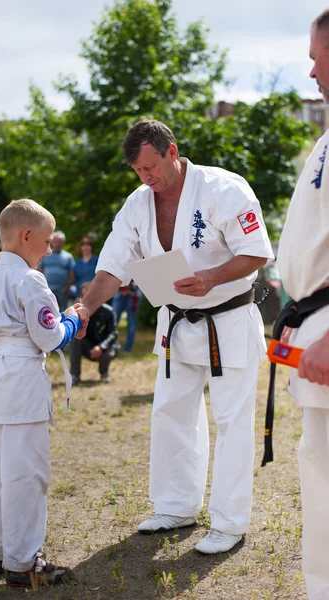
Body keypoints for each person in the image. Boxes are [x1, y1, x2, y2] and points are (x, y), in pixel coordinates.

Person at [80, 118, 274, 554]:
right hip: (176, 320)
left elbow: (257, 251)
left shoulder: (224, 188)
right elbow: (114, 263)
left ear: (172, 152)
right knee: (171, 413)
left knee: (231, 421)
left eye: (150, 167)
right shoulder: (137, 204)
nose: (145, 178)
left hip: (227, 317)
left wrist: (211, 277)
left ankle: (228, 522)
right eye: (137, 171)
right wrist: (87, 306)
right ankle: (176, 505)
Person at [0, 199, 88, 587]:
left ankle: (2, 550)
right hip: (20, 381)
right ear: (26, 236)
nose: (50, 250)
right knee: (26, 474)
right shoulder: (29, 280)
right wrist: (73, 320)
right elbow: (49, 336)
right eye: (46, 242)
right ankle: (23, 563)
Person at [275, 10, 329, 598]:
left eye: (318, 55)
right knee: (320, 474)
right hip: (314, 321)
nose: (311, 69)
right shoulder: (325, 140)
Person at [70, 282, 120, 384]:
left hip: (105, 346)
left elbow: (113, 333)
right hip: (88, 345)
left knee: (109, 353)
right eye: (83, 296)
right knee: (75, 339)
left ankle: (104, 373)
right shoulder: (78, 312)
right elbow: (73, 330)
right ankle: (75, 375)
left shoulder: (108, 311)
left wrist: (101, 347)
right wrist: (76, 315)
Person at [39, 230, 75, 311]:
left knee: (62, 310)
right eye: (55, 241)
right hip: (47, 289)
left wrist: (66, 287)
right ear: (52, 242)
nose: (57, 244)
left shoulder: (68, 257)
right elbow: (39, 271)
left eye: (60, 242)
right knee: (47, 310)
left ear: (63, 243)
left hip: (62, 291)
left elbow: (72, 275)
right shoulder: (45, 254)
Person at [112, 281, 142, 353]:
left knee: (132, 322)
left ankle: (128, 349)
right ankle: (112, 346)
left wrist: (130, 287)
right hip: (118, 293)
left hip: (134, 294)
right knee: (113, 321)